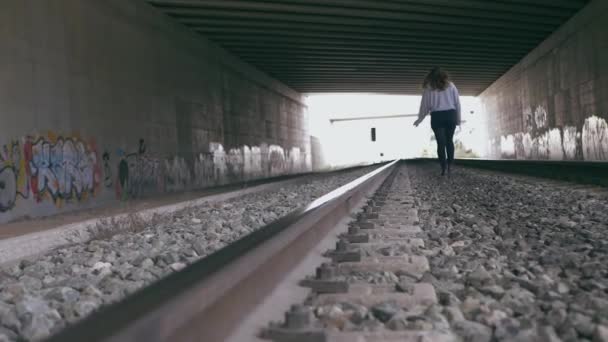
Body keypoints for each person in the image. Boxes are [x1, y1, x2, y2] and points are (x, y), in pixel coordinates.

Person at [413, 67, 461, 176]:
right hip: (450, 115)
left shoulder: (429, 88)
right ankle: (450, 166)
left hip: (437, 116)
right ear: (444, 75)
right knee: (449, 141)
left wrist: (419, 120)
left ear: (430, 76)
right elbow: (457, 103)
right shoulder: (451, 85)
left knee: (441, 143)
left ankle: (443, 168)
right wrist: (458, 119)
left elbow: (424, 106)